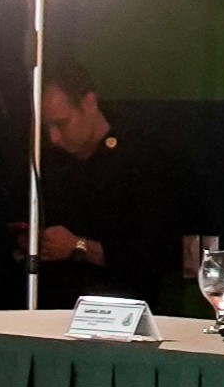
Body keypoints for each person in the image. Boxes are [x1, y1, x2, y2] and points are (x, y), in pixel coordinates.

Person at [29, 57, 180, 308]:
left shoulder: (144, 160)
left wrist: (78, 247)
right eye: (47, 127)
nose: (53, 138)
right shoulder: (50, 164)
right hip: (56, 312)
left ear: (89, 103)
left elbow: (158, 254)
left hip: (124, 314)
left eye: (61, 124)